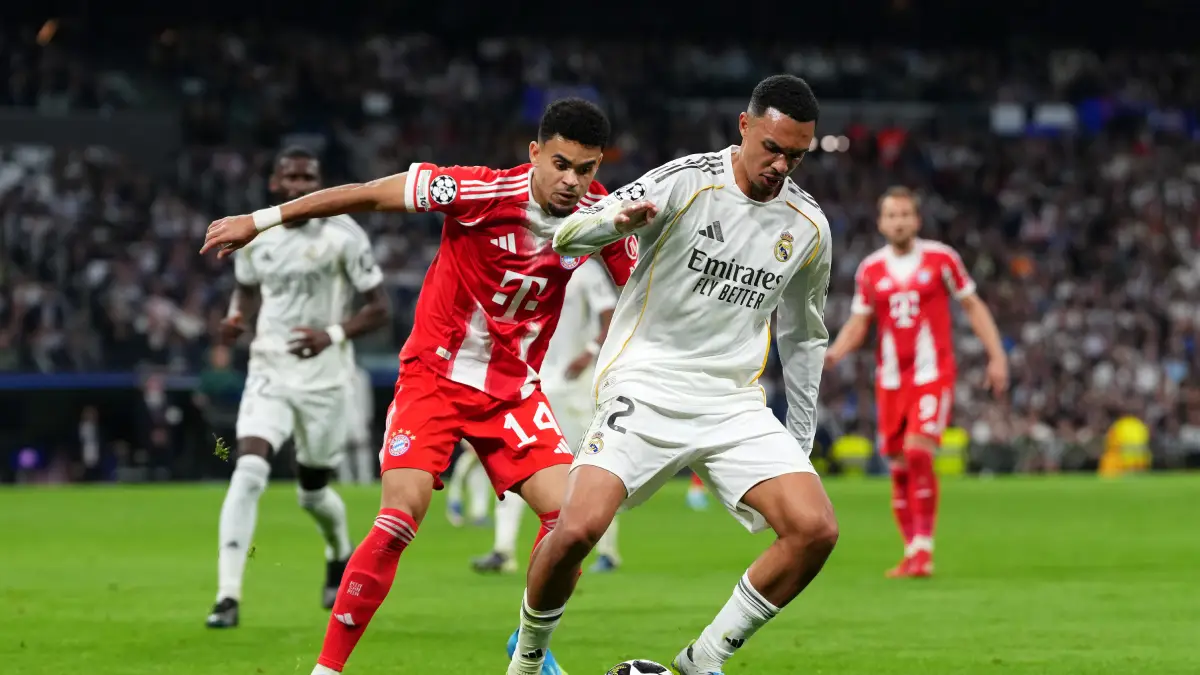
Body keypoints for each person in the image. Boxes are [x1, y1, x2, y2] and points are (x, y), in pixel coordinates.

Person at [200, 98, 635, 675]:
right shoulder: (478, 194)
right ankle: (326, 671)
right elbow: (366, 193)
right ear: (534, 153)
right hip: (436, 379)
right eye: (560, 164)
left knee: (574, 525)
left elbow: (643, 292)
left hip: (513, 392)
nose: (571, 181)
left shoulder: (602, 213)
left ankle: (527, 655)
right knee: (399, 520)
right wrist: (259, 221)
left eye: (586, 169)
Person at [507, 74, 837, 675]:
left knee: (814, 529)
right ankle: (526, 662)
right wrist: (620, 221)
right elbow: (569, 235)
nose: (781, 165)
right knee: (577, 529)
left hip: (731, 400)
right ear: (745, 126)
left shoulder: (808, 226)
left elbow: (804, 335)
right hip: (646, 380)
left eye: (796, 155)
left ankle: (700, 661)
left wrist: (802, 439)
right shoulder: (685, 181)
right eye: (772, 147)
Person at [206, 147, 392, 628]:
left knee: (313, 492)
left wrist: (330, 335)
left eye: (308, 176)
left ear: (319, 181)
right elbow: (247, 287)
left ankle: (337, 551)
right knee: (247, 469)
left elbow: (379, 307)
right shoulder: (256, 235)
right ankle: (227, 597)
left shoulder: (345, 234)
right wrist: (235, 319)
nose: (298, 184)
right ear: (274, 184)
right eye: (289, 177)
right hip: (269, 369)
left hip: (326, 377)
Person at [824, 186, 1009, 578]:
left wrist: (996, 354)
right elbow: (860, 321)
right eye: (891, 215)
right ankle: (911, 551)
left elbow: (972, 306)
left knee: (919, 451)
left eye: (905, 214)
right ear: (880, 222)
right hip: (890, 380)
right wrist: (835, 352)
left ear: (917, 220)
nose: (899, 221)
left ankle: (923, 549)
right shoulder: (870, 269)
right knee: (897, 465)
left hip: (932, 374)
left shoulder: (942, 259)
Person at [471, 255, 620, 574]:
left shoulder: (585, 268)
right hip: (532, 382)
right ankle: (503, 549)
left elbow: (611, 315)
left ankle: (607, 550)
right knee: (516, 464)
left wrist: (589, 354)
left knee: (593, 466)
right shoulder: (528, 261)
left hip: (574, 386)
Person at [337, 365, 378, 485]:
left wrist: (368, 418)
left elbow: (367, 399)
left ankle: (365, 478)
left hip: (359, 418)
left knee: (362, 448)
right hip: (341, 419)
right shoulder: (336, 376)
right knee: (342, 450)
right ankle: (345, 480)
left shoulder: (361, 376)